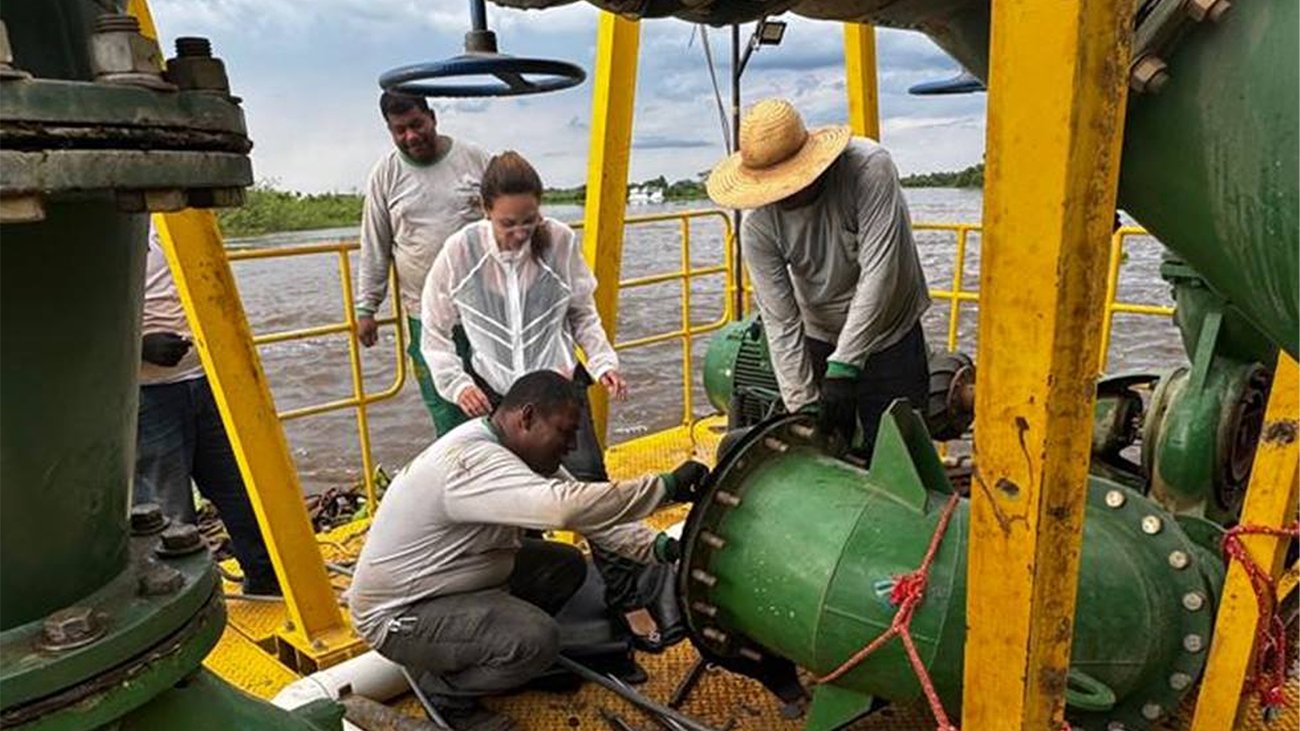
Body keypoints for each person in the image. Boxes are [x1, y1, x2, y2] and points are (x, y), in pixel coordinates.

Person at [347, 371, 709, 731]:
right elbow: (565, 508)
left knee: (564, 565)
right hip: (400, 615)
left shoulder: (516, 453)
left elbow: (594, 520)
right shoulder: (470, 461)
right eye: (565, 432)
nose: (571, 446)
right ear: (527, 417)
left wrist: (662, 548)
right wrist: (666, 487)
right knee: (538, 639)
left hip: (453, 580)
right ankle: (446, 694)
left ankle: (494, 653)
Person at [706, 98, 931, 455]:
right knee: (827, 449)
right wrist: (802, 403)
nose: (785, 193)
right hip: (821, 331)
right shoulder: (758, 227)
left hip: (890, 331)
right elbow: (780, 320)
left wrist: (845, 366)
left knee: (900, 452)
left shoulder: (867, 169)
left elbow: (880, 271)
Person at [421, 151, 627, 482]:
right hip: (498, 398)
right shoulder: (461, 251)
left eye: (529, 221)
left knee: (587, 482)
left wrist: (602, 362)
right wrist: (457, 385)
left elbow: (582, 312)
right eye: (508, 223)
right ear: (486, 210)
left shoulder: (559, 241)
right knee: (510, 491)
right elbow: (434, 330)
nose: (520, 233)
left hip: (558, 387)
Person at [135, 223, 279, 596]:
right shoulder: (104, 231)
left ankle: (266, 582)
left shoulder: (178, 220)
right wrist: (138, 346)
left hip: (209, 379)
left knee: (242, 492)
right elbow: (79, 313)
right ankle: (183, 605)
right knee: (169, 513)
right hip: (148, 393)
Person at [355, 92, 492, 435]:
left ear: (432, 117)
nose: (411, 136)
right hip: (426, 313)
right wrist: (367, 308)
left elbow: (512, 220)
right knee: (446, 408)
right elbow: (375, 243)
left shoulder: (475, 159)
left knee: (501, 400)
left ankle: (506, 465)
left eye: (417, 124)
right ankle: (459, 465)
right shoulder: (385, 174)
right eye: (400, 130)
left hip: (487, 308)